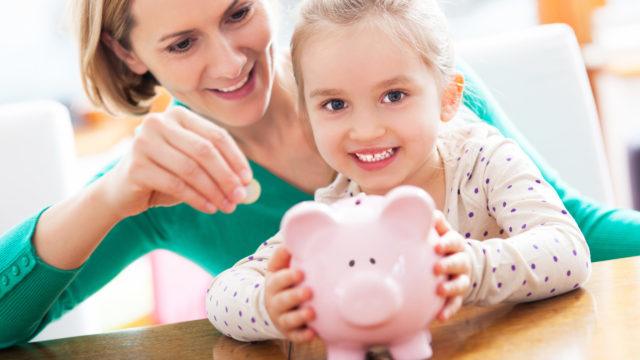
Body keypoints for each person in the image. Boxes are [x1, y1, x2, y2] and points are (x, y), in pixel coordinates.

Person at [0, 0, 636, 348]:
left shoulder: (404, 85)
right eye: (181, 44)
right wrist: (108, 198)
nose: (230, 61)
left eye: (238, 12)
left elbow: (576, 235)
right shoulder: (161, 183)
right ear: (128, 53)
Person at [205, 0, 591, 343]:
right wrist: (271, 305)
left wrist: (472, 269)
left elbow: (568, 251)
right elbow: (222, 294)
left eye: (394, 96)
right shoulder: (335, 212)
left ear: (447, 98)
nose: (367, 130)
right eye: (336, 104)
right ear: (307, 119)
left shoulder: (484, 161)